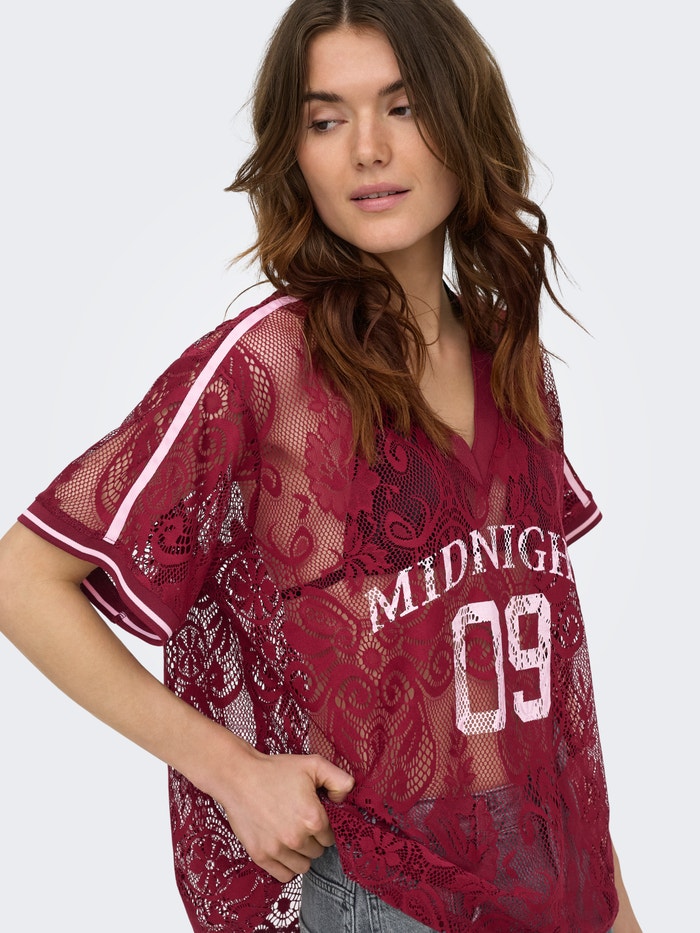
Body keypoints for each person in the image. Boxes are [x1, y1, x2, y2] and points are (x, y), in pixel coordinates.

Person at [0, 1, 644, 931]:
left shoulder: (512, 361)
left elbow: (532, 708)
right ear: (295, 154)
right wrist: (231, 771)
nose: (368, 150)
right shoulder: (266, 366)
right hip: (382, 887)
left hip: (550, 881)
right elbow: (23, 578)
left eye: (403, 106)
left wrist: (615, 906)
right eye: (326, 120)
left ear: (465, 119)